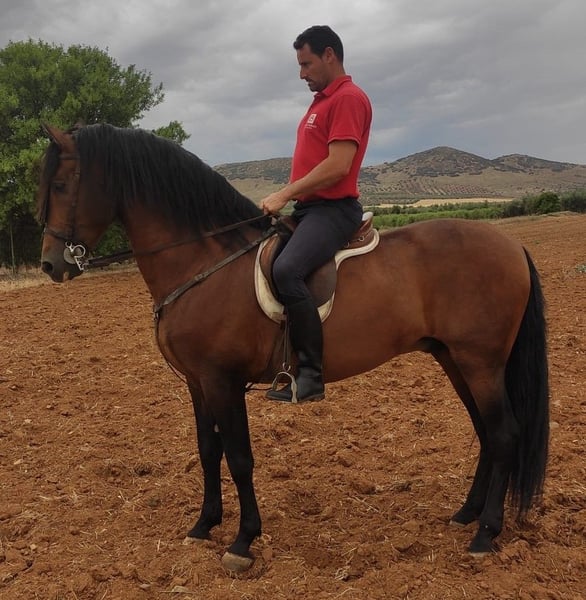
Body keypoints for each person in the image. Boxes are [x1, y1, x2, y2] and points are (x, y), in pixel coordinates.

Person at [260, 25, 372, 403]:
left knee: (287, 269)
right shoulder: (322, 101)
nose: (301, 74)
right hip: (309, 209)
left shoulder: (348, 98)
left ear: (329, 55)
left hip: (333, 210)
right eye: (299, 65)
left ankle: (309, 375)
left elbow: (338, 165)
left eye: (306, 64)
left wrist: (284, 194)